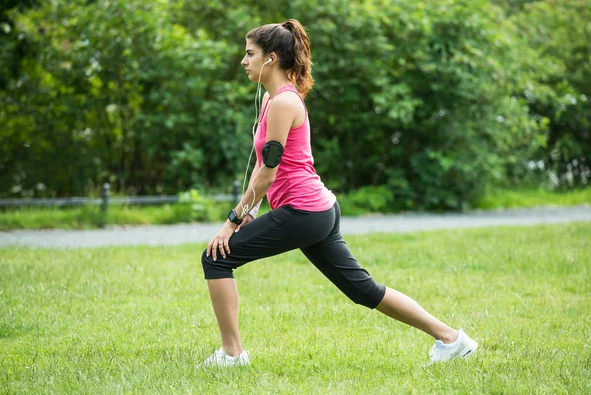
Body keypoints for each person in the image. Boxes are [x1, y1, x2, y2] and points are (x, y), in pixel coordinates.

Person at [201, 19, 477, 367]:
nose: (243, 61)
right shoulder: (274, 101)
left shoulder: (285, 103)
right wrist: (250, 210)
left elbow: (269, 173)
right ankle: (453, 340)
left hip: (305, 212)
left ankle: (231, 354)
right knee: (364, 291)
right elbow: (263, 167)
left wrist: (232, 221)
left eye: (249, 53)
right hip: (317, 210)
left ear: (270, 58)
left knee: (217, 257)